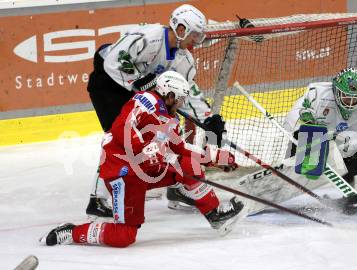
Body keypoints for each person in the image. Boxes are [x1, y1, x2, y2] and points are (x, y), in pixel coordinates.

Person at [40, 71, 245, 248]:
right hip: (122, 171)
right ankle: (71, 232)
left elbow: (180, 148)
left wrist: (214, 157)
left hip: (145, 168)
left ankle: (215, 214)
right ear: (170, 95)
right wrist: (145, 151)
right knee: (124, 236)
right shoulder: (146, 101)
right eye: (180, 99)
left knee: (189, 165)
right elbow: (123, 128)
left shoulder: (171, 119)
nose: (181, 104)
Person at [85, 4, 222, 217]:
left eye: (199, 36)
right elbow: (113, 61)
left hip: (140, 92)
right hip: (109, 84)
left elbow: (186, 93)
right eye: (194, 34)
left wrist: (207, 117)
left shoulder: (184, 60)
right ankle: (98, 198)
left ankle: (178, 188)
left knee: (169, 130)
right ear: (181, 28)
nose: (196, 40)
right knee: (119, 137)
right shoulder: (148, 37)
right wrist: (138, 81)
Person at [240, 68, 357, 215]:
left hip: (348, 148)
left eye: (354, 97)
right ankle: (272, 185)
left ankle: (355, 195)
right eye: (346, 96)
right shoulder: (317, 95)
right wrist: (308, 126)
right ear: (335, 90)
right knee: (311, 161)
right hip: (314, 144)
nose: (350, 102)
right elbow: (291, 122)